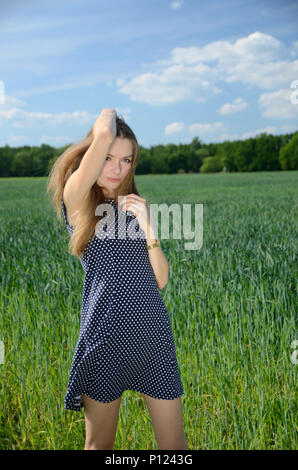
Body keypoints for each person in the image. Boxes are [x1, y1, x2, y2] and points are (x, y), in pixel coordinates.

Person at [47, 108, 189, 450]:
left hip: (153, 336)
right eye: (108, 158)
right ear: (93, 155)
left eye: (126, 161)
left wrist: (149, 225)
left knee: (176, 447)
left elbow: (161, 280)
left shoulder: (132, 206)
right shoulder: (79, 202)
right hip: (106, 335)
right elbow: (103, 133)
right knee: (100, 447)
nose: (117, 168)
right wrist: (109, 115)